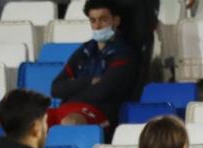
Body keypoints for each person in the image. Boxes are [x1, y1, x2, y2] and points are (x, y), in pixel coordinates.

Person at [50, 0, 139, 129]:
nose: (97, 26)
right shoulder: (85, 50)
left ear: (115, 21)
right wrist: (88, 81)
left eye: (103, 20)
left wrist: (70, 91)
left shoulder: (124, 54)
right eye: (93, 21)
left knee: (71, 122)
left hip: (102, 113)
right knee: (34, 122)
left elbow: (102, 91)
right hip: (69, 108)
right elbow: (55, 88)